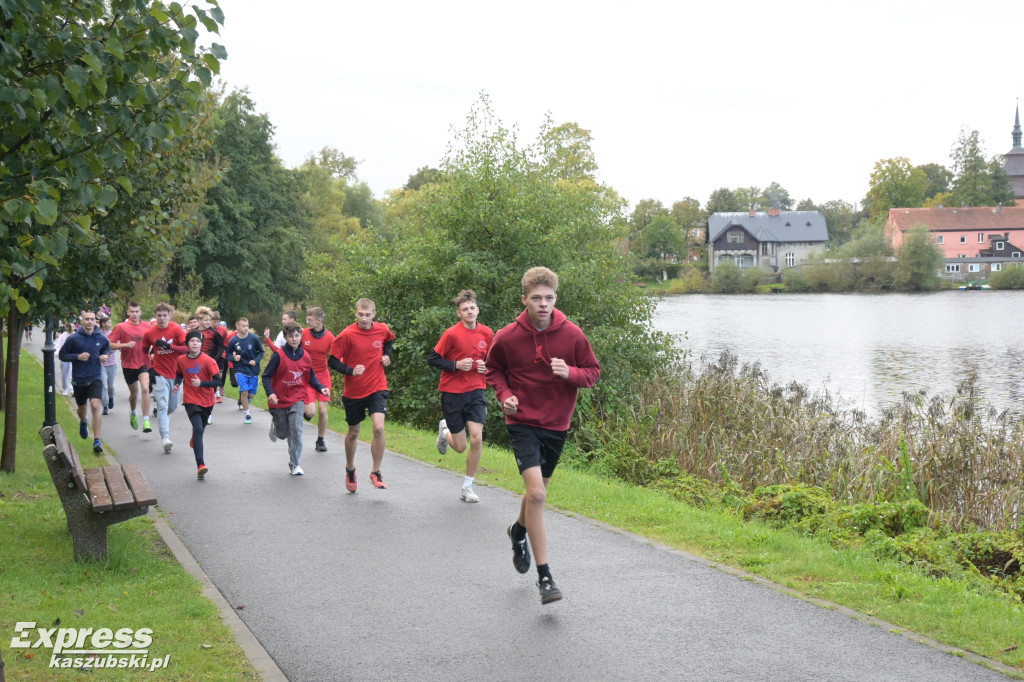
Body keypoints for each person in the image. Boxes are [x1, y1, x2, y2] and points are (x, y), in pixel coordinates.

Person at [485, 267, 600, 605]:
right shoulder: (507, 336)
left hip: (556, 424)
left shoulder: (573, 335)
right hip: (521, 420)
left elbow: (593, 373)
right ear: (524, 299)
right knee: (536, 494)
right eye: (536, 298)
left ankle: (517, 530)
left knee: (538, 493)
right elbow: (493, 369)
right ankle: (545, 576)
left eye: (549, 298)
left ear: (556, 299)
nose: (543, 304)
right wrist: (503, 395)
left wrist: (571, 372)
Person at [427, 290, 494, 503]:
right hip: (453, 393)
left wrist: (486, 367)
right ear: (459, 313)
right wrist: (455, 365)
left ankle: (467, 487)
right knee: (460, 446)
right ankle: (444, 431)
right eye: (465, 309)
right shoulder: (451, 334)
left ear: (478, 310)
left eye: (472, 308)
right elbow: (433, 359)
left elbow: (493, 362)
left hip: (476, 391)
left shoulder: (487, 333)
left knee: (477, 438)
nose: (469, 312)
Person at [328, 299, 395, 491]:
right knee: (354, 433)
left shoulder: (382, 329)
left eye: (368, 315)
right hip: (354, 391)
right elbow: (332, 361)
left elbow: (389, 340)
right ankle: (350, 468)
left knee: (379, 428)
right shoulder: (347, 334)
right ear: (355, 314)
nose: (364, 318)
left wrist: (387, 355)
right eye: (360, 314)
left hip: (377, 386)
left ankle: (376, 471)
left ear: (374, 314)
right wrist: (350, 370)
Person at [262, 321, 329, 476]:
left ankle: (295, 463)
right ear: (285, 337)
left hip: (297, 398)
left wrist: (321, 388)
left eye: (297, 336)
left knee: (296, 431)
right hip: (279, 400)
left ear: (300, 336)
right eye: (290, 336)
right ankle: (276, 426)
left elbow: (311, 377)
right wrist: (270, 393)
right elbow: (266, 376)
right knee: (283, 434)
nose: (294, 339)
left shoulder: (306, 356)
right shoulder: (279, 355)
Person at [58, 310, 111, 454]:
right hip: (79, 379)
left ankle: (97, 440)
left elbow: (106, 349)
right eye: (87, 319)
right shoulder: (74, 338)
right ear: (82, 321)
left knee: (95, 406)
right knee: (82, 410)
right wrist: (77, 357)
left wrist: (105, 356)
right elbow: (62, 355)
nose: (89, 322)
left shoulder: (101, 338)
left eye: (92, 319)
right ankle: (83, 421)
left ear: (96, 321)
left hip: (95, 378)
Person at [174, 330, 222, 479]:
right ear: (187, 343)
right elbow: (179, 373)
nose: (195, 343)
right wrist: (177, 384)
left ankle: (195, 438)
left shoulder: (208, 361)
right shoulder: (181, 359)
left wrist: (201, 383)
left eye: (197, 341)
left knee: (200, 430)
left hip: (207, 399)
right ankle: (200, 464)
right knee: (198, 429)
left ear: (201, 344)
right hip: (190, 399)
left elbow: (218, 381)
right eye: (192, 341)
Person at [142, 303, 187, 453]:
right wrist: (150, 369)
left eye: (164, 315)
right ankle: (165, 438)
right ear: (155, 316)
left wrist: (169, 347)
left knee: (172, 406)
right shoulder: (150, 332)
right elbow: (143, 352)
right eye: (159, 315)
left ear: (170, 315)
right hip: (159, 373)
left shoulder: (176, 329)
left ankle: (164, 428)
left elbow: (186, 348)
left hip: (176, 374)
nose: (161, 318)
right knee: (162, 404)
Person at [107, 301, 152, 432]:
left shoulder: (148, 326)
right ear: (128, 312)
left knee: (145, 389)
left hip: (144, 363)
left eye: (137, 311)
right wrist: (125, 345)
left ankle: (146, 421)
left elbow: (154, 342)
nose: (134, 314)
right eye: (132, 311)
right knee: (134, 394)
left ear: (141, 312)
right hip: (128, 364)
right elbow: (110, 345)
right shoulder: (121, 327)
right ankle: (133, 413)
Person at [302, 307, 335, 452]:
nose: (307, 322)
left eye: (310, 320)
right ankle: (304, 409)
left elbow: (337, 357)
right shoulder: (303, 333)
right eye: (307, 319)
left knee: (322, 411)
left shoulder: (330, 337)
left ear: (319, 321)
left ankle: (320, 440)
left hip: (323, 376)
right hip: (307, 376)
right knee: (311, 413)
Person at [226, 317, 264, 424]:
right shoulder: (233, 340)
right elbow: (228, 355)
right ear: (237, 327)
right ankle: (247, 414)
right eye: (243, 326)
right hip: (240, 369)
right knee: (244, 391)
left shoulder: (254, 338)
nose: (246, 328)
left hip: (253, 369)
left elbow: (261, 351)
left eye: (247, 325)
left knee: (251, 394)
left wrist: (256, 361)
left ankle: (246, 401)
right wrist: (234, 358)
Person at [194, 307, 225, 421]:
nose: (208, 322)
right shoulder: (194, 332)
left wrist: (215, 359)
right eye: (205, 320)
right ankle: (199, 410)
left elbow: (222, 347)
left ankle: (209, 414)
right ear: (199, 320)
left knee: (210, 389)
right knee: (198, 388)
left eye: (209, 320)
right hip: (196, 364)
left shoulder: (214, 332)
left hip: (210, 363)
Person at [97, 315, 118, 415]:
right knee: (103, 385)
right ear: (103, 324)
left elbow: (116, 347)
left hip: (112, 362)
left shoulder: (113, 334)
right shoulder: (97, 334)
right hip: (101, 363)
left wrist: (107, 351)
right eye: (109, 322)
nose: (111, 324)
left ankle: (111, 397)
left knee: (110, 386)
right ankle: (105, 406)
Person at [55, 322, 74, 396]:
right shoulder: (62, 336)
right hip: (65, 357)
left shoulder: (76, 335)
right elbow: (57, 345)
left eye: (73, 327)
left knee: (72, 374)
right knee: (64, 374)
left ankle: (72, 389)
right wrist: (58, 353)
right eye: (70, 327)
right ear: (66, 327)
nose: (72, 328)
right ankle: (65, 388)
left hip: (73, 357)